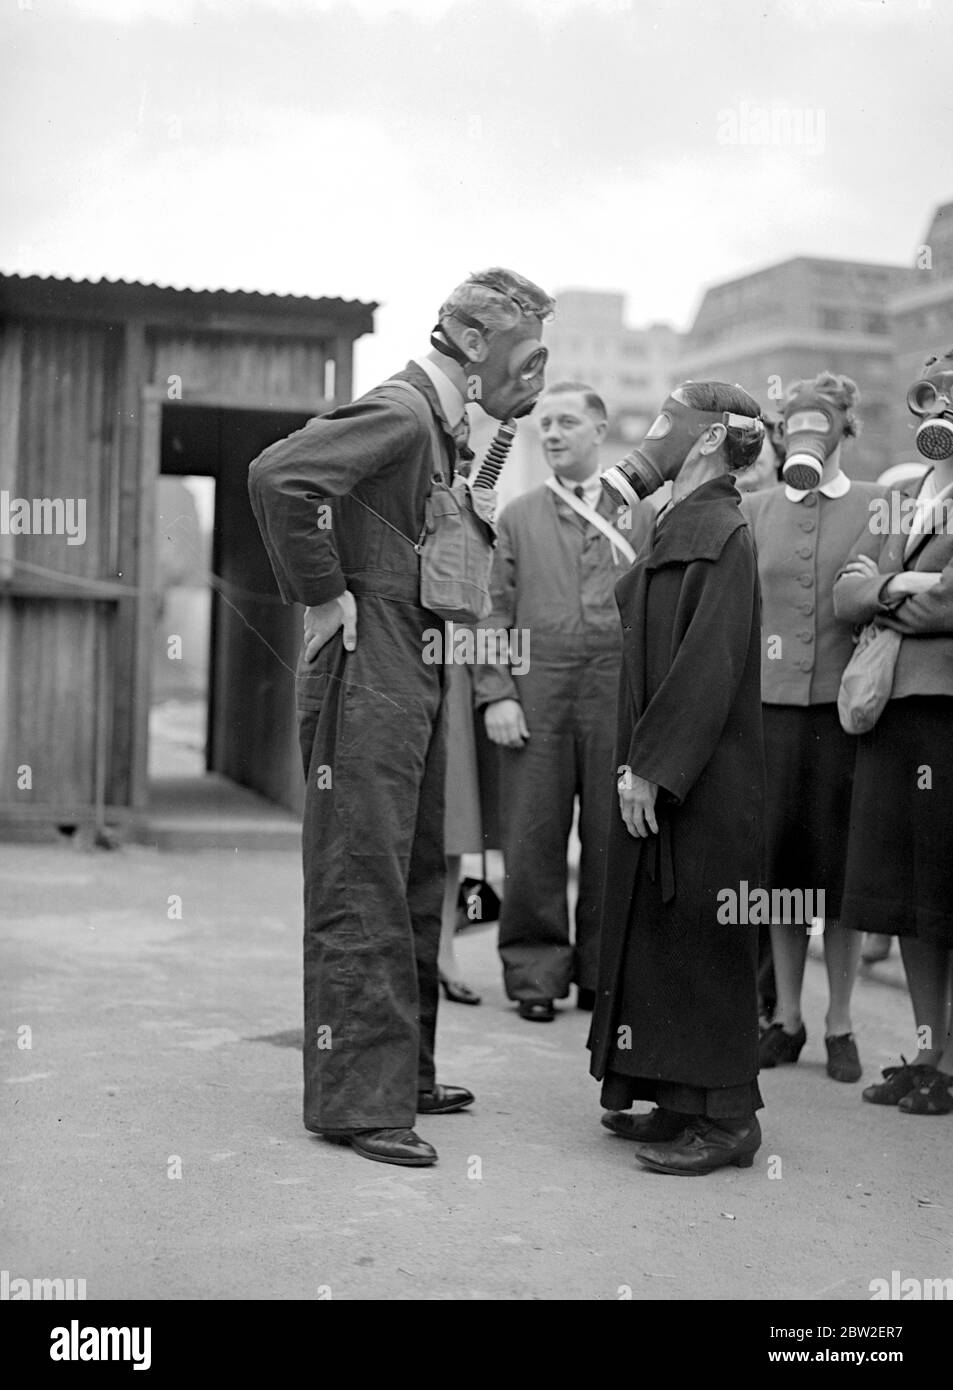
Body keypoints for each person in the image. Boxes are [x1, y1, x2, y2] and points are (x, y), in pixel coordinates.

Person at [248, 267, 554, 1166]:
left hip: (412, 657)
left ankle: (404, 1075)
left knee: (417, 869)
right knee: (362, 875)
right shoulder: (404, 408)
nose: (532, 376)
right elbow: (280, 476)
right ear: (469, 344)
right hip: (369, 652)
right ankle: (358, 1104)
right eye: (525, 356)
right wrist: (323, 592)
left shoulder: (450, 428)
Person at [589, 380, 767, 1176]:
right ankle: (672, 1098)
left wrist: (652, 770)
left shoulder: (724, 527)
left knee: (702, 934)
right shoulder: (681, 519)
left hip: (703, 777)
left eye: (668, 422)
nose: (652, 434)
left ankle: (728, 1122)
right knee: (662, 931)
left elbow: (706, 665)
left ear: (702, 440)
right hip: (668, 767)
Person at [473, 382, 653, 1022]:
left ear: (600, 431)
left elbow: (658, 611)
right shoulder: (518, 515)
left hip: (616, 689)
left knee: (613, 833)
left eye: (567, 422)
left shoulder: (640, 513)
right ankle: (534, 977)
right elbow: (490, 608)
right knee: (534, 835)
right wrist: (497, 693)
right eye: (544, 424)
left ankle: (604, 975)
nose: (551, 433)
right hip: (537, 687)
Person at [741, 374, 885, 1083]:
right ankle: (786, 1019)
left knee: (839, 875)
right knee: (780, 873)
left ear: (841, 432)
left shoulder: (876, 505)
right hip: (769, 716)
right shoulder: (754, 508)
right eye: (791, 425)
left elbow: (876, 595)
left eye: (818, 424)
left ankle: (840, 1024)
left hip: (843, 717)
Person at [834, 348, 953, 1117]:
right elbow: (845, 592)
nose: (935, 413)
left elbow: (944, 607)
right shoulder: (907, 492)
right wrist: (896, 587)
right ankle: (924, 1054)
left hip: (944, 717)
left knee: (946, 892)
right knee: (907, 900)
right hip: (893, 715)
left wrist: (894, 597)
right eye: (930, 396)